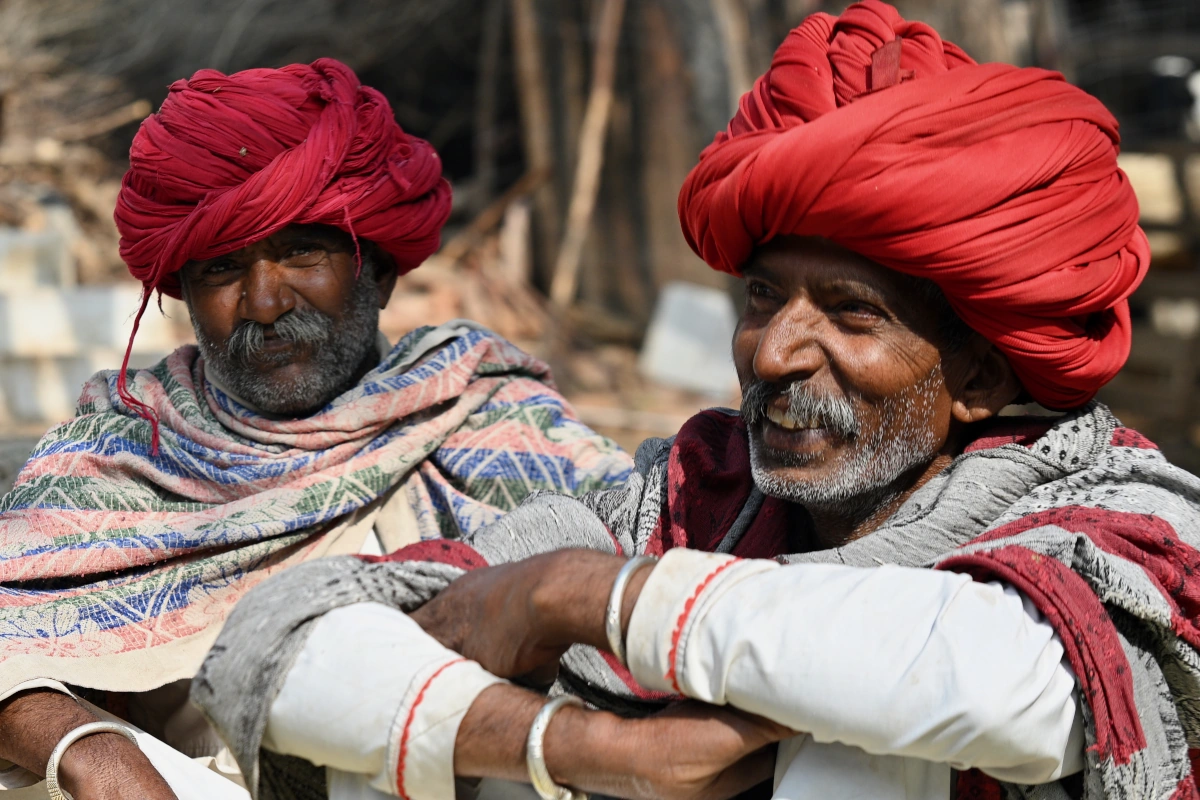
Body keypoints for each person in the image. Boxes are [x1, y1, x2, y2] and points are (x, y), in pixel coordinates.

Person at [195, 3, 1200, 800]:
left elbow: (995, 686)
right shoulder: (695, 494)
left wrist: (582, 595)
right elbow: (278, 643)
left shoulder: (1119, 515)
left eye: (849, 314)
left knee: (857, 743)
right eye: (763, 297)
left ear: (980, 375)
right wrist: (578, 745)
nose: (772, 351)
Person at [0, 59, 631, 799]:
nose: (264, 302)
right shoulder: (123, 453)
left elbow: (641, 584)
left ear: (380, 272)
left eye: (302, 251)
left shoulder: (490, 420)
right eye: (222, 268)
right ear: (186, 294)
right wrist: (86, 747)